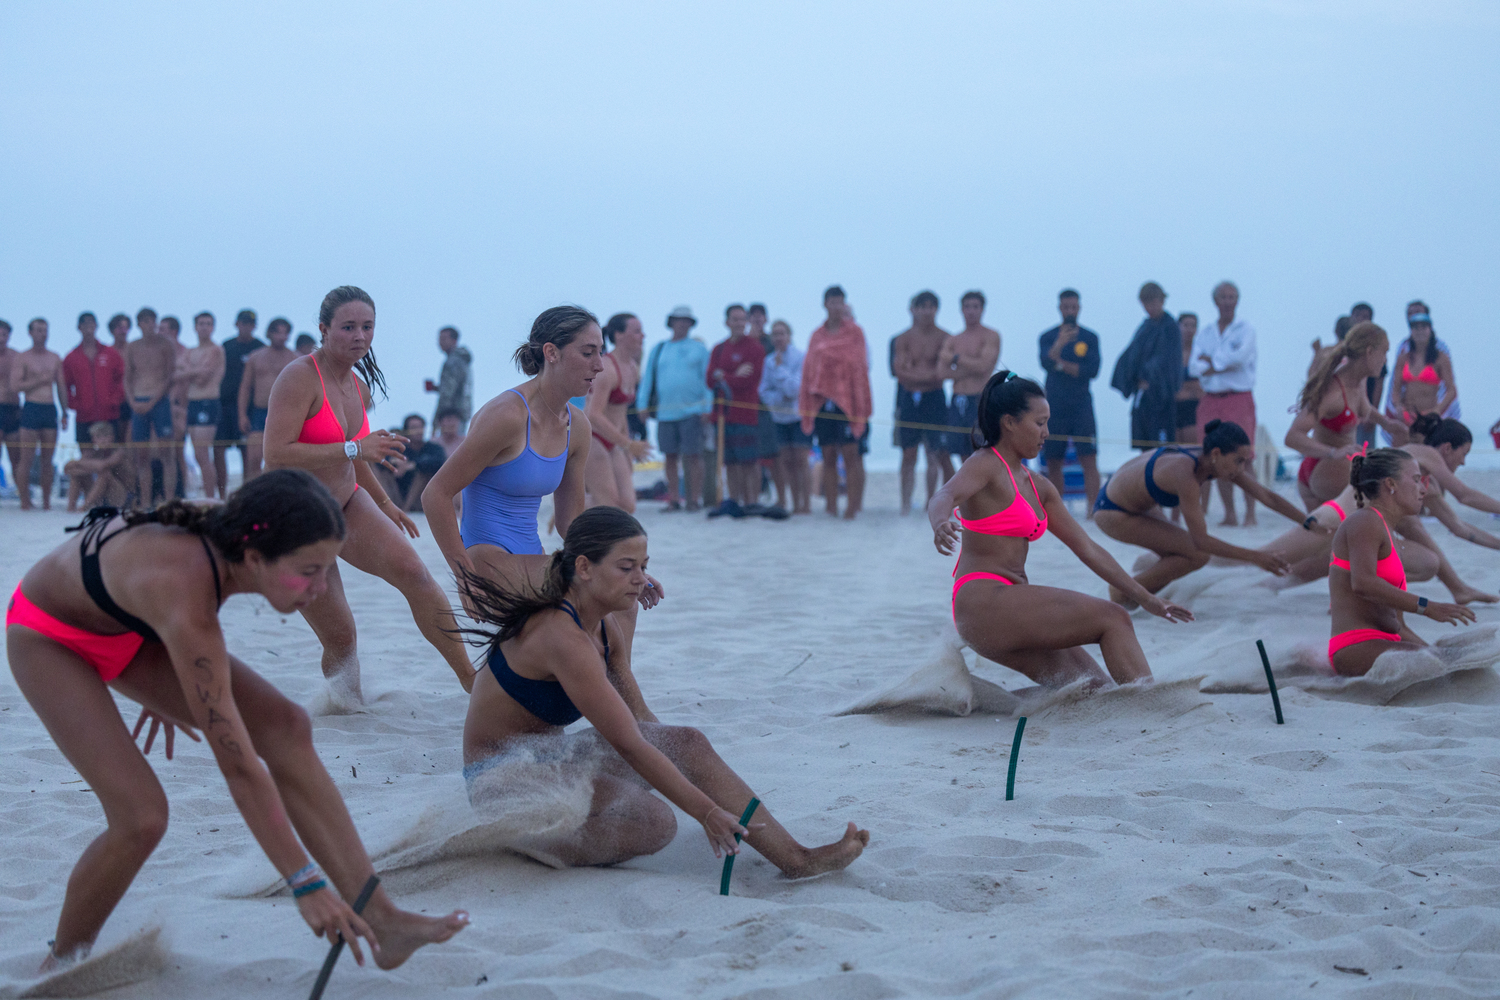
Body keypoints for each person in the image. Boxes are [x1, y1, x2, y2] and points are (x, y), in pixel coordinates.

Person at [5, 470, 469, 972]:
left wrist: (164, 669)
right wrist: (304, 882)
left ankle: (383, 918)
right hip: (50, 635)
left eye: (327, 569)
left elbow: (141, 582)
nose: (320, 588)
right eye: (309, 571)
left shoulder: (236, 530)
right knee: (142, 817)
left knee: (289, 725)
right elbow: (240, 768)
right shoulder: (186, 593)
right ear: (253, 559)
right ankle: (62, 962)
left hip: (135, 619)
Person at [459, 504, 868, 871]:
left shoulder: (604, 628)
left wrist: (691, 771)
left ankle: (796, 859)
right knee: (656, 822)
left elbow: (643, 724)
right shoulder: (561, 638)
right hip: (500, 777)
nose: (641, 579)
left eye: (643, 565)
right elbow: (630, 744)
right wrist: (706, 812)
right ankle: (522, 841)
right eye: (626, 568)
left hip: (550, 754)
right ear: (583, 568)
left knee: (687, 741)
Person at [422, 305, 665, 676]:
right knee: (600, 595)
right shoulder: (506, 415)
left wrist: (626, 567)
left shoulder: (577, 426)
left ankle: (616, 692)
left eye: (600, 352)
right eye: (588, 353)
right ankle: (623, 707)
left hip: (531, 559)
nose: (599, 365)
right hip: (486, 557)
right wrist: (465, 579)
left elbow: (571, 524)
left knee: (622, 595)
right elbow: (435, 495)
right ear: (551, 353)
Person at [263, 286, 476, 703]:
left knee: (416, 575)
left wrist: (384, 503)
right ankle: (346, 708)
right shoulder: (298, 377)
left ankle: (472, 680)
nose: (359, 336)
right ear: (324, 330)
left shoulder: (358, 386)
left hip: (347, 502)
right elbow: (275, 454)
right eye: (347, 327)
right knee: (341, 637)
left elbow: (360, 456)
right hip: (295, 518)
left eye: (367, 327)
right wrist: (353, 449)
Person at [927, 371, 1192, 687]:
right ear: (1009, 423)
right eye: (1039, 423)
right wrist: (940, 522)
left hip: (1011, 605)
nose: (1047, 433)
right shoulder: (986, 463)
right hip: (983, 603)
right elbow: (944, 494)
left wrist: (1147, 598)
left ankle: (1135, 712)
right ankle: (1154, 708)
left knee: (1093, 688)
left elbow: (1088, 549)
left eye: (1048, 423)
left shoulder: (1040, 486)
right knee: (1113, 617)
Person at [1092, 420, 1307, 603]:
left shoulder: (1212, 461)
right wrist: (1255, 557)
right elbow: (1201, 541)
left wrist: (1309, 521)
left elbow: (1266, 496)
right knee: (1197, 555)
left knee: (1179, 556)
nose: (1241, 469)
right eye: (1238, 461)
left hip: (1131, 503)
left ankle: (1134, 591)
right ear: (1216, 453)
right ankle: (1120, 592)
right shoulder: (1184, 473)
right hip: (1113, 512)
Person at [1327, 448, 1474, 676]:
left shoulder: (1387, 531)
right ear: (1390, 484)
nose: (1423, 489)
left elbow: (1399, 625)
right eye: (1416, 480)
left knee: (1454, 664)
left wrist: (1431, 650)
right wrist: (1428, 607)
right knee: (1445, 670)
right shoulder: (1365, 521)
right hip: (1355, 646)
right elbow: (1363, 583)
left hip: (1388, 640)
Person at [1285, 322, 1408, 510]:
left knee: (1334, 537)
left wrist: (1387, 423)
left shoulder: (1359, 381)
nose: (1385, 360)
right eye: (1384, 352)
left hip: (1341, 467)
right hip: (1324, 468)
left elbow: (1365, 409)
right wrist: (1334, 452)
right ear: (1369, 352)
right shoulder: (1333, 392)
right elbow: (1292, 437)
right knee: (1387, 505)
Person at [1188, 281, 1259, 525]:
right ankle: (1230, 513)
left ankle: (1250, 513)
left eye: (1232, 297)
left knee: (1245, 456)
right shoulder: (1206, 332)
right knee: (1215, 457)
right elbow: (1194, 366)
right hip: (1211, 400)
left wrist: (1213, 363)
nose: (1228, 302)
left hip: (1238, 397)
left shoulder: (1246, 329)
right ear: (1215, 300)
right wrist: (1221, 364)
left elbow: (1240, 359)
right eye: (1224, 297)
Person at [799, 286, 872, 519]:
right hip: (822, 402)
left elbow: (859, 366)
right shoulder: (817, 335)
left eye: (840, 302)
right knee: (828, 454)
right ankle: (831, 507)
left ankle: (852, 508)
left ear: (844, 304)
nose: (836, 306)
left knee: (851, 454)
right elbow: (809, 369)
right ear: (825, 304)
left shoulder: (855, 333)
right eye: (832, 302)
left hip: (848, 401)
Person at [636, 306, 712, 512]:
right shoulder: (659, 349)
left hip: (693, 411)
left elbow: (708, 380)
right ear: (671, 322)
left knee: (693, 455)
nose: (682, 324)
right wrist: (642, 405)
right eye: (678, 320)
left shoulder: (699, 349)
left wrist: (707, 406)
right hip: (665, 412)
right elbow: (648, 380)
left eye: (686, 320)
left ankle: (694, 499)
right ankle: (674, 499)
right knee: (669, 456)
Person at [1037, 289, 1101, 512]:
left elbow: (1091, 371)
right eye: (1066, 307)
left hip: (1082, 404)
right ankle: (1056, 510)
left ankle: (1093, 508)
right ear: (1060, 308)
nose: (1070, 311)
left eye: (1073, 307)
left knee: (1089, 457)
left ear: (1079, 307)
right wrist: (1060, 344)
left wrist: (1061, 364)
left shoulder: (1090, 338)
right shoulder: (1047, 337)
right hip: (1054, 405)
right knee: (1054, 459)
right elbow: (1045, 362)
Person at [891, 291, 954, 515]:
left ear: (936, 309)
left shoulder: (945, 337)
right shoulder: (903, 339)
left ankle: (930, 501)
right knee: (908, 454)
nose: (927, 311)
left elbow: (942, 373)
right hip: (909, 400)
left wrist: (915, 373)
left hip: (934, 399)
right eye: (922, 306)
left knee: (933, 453)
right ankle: (905, 503)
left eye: (931, 307)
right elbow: (900, 372)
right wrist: (926, 375)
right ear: (914, 309)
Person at [585, 313, 649, 512]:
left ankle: (573, 505)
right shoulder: (607, 368)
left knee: (628, 506)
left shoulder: (631, 367)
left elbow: (620, 413)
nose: (643, 336)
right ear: (619, 335)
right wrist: (627, 444)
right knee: (608, 502)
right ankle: (572, 507)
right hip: (591, 438)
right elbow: (592, 414)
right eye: (637, 331)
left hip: (613, 439)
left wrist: (626, 447)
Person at [708, 304, 766, 511]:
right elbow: (710, 379)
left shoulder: (755, 348)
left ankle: (751, 501)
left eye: (743, 319)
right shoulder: (719, 348)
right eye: (735, 319)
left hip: (746, 414)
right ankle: (734, 500)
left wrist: (723, 375)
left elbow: (749, 381)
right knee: (730, 462)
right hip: (723, 414)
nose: (740, 323)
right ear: (727, 322)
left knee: (749, 461)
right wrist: (730, 375)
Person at [1110, 282, 1181, 453]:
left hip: (1161, 400)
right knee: (1145, 450)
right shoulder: (1145, 328)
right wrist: (1133, 379)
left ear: (1162, 301)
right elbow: (1129, 358)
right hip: (1142, 398)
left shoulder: (1170, 328)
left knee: (1163, 452)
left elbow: (1168, 361)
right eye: (1146, 303)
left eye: (1154, 301)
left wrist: (1149, 376)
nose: (1150, 307)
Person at [11, 318, 69, 510]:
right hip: (31, 407)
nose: (42, 334)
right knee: (26, 458)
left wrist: (64, 412)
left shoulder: (54, 357)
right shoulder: (23, 358)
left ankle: (46, 501)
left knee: (47, 459)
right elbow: (16, 386)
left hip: (49, 408)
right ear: (30, 333)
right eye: (38, 330)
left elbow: (60, 386)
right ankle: (25, 500)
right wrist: (39, 381)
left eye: (45, 330)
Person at [938, 290, 1000, 462]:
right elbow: (941, 372)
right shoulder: (953, 339)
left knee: (982, 449)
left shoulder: (991, 336)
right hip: (958, 399)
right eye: (967, 307)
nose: (971, 311)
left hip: (979, 398)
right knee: (961, 451)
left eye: (975, 307)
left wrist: (956, 359)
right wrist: (972, 366)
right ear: (961, 310)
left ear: (982, 309)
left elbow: (984, 367)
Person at [758, 319, 811, 514]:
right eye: (775, 334)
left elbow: (795, 388)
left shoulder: (800, 357)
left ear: (789, 336)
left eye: (782, 333)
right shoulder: (768, 361)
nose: (779, 338)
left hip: (798, 416)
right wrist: (778, 398)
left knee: (801, 459)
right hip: (778, 417)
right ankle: (794, 502)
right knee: (786, 461)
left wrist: (780, 371)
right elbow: (763, 390)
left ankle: (806, 503)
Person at [125, 313, 177, 507]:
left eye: (153, 321)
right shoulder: (133, 346)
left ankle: (170, 499)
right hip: (138, 399)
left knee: (166, 453)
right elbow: (128, 376)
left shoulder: (165, 345)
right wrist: (132, 401)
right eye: (146, 321)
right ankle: (146, 501)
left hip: (159, 401)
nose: (150, 325)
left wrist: (153, 401)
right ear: (139, 323)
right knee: (141, 456)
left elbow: (169, 376)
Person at [238, 317, 297, 481]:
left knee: (283, 459)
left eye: (285, 333)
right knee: (254, 458)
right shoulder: (255, 357)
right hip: (259, 412)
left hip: (285, 413)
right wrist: (242, 415)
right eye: (277, 332)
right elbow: (245, 387)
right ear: (269, 334)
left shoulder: (295, 359)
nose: (281, 336)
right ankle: (253, 495)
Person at [214, 309, 265, 498]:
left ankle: (247, 494)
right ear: (237, 324)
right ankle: (220, 496)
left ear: (255, 326)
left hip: (250, 407)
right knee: (218, 448)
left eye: (250, 324)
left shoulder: (261, 348)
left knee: (248, 452)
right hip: (225, 405)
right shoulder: (226, 346)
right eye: (243, 323)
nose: (246, 327)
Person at [62, 311, 126, 450]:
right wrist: (75, 404)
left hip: (109, 414)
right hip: (84, 416)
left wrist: (115, 399)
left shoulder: (110, 354)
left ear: (96, 326)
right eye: (85, 324)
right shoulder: (71, 358)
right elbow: (65, 385)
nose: (89, 327)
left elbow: (122, 378)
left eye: (92, 323)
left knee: (113, 455)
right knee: (86, 456)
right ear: (79, 328)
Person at [180, 312, 227, 499]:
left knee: (202, 452)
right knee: (198, 454)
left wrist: (188, 371)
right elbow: (175, 374)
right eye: (201, 323)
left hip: (207, 402)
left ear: (213, 327)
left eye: (208, 323)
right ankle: (209, 495)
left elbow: (202, 379)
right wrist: (192, 371)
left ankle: (210, 496)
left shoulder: (215, 350)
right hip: (192, 402)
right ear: (195, 327)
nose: (204, 327)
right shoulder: (190, 352)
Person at [1391, 302, 1458, 426]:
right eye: (1415, 327)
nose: (1419, 331)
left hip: (1429, 416)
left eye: (1423, 327)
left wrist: (1437, 410)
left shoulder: (1440, 358)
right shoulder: (1403, 358)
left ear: (1430, 329)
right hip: (1407, 416)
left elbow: (1451, 390)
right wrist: (1398, 406)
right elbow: (1395, 389)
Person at [375, 413, 448, 512]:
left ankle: (406, 509)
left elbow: (440, 462)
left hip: (420, 497)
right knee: (383, 472)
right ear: (406, 430)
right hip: (397, 494)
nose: (418, 431)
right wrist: (394, 463)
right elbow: (379, 460)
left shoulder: (433, 448)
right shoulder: (399, 448)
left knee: (423, 474)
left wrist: (413, 465)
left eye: (420, 427)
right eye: (414, 427)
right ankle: (386, 506)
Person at [63, 421, 130, 510]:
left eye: (106, 435)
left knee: (105, 474)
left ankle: (84, 507)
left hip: (121, 496)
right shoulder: (94, 453)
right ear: (93, 440)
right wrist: (82, 467)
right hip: (101, 497)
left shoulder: (119, 452)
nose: (103, 440)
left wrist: (79, 463)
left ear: (112, 437)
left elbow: (102, 465)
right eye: (98, 436)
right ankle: (71, 508)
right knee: (77, 475)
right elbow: (67, 469)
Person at [425, 326, 473, 430]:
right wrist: (437, 388)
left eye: (443, 339)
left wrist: (438, 418)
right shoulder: (461, 360)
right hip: (461, 410)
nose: (440, 342)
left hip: (451, 414)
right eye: (439, 339)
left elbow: (447, 393)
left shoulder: (453, 361)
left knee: (450, 444)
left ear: (454, 340)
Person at [1174, 312, 1202, 446]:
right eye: (1185, 325)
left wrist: (1186, 388)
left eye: (1193, 326)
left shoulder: (1200, 353)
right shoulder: (1170, 354)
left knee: (1193, 449)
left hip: (1194, 407)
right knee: (1173, 453)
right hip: (1174, 408)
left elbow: (1202, 386)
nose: (1189, 329)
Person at [0, 320, 21, 494]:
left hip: (13, 409)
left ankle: (21, 493)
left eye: (4, 334)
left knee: (16, 455)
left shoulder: (16, 357)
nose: (1, 338)